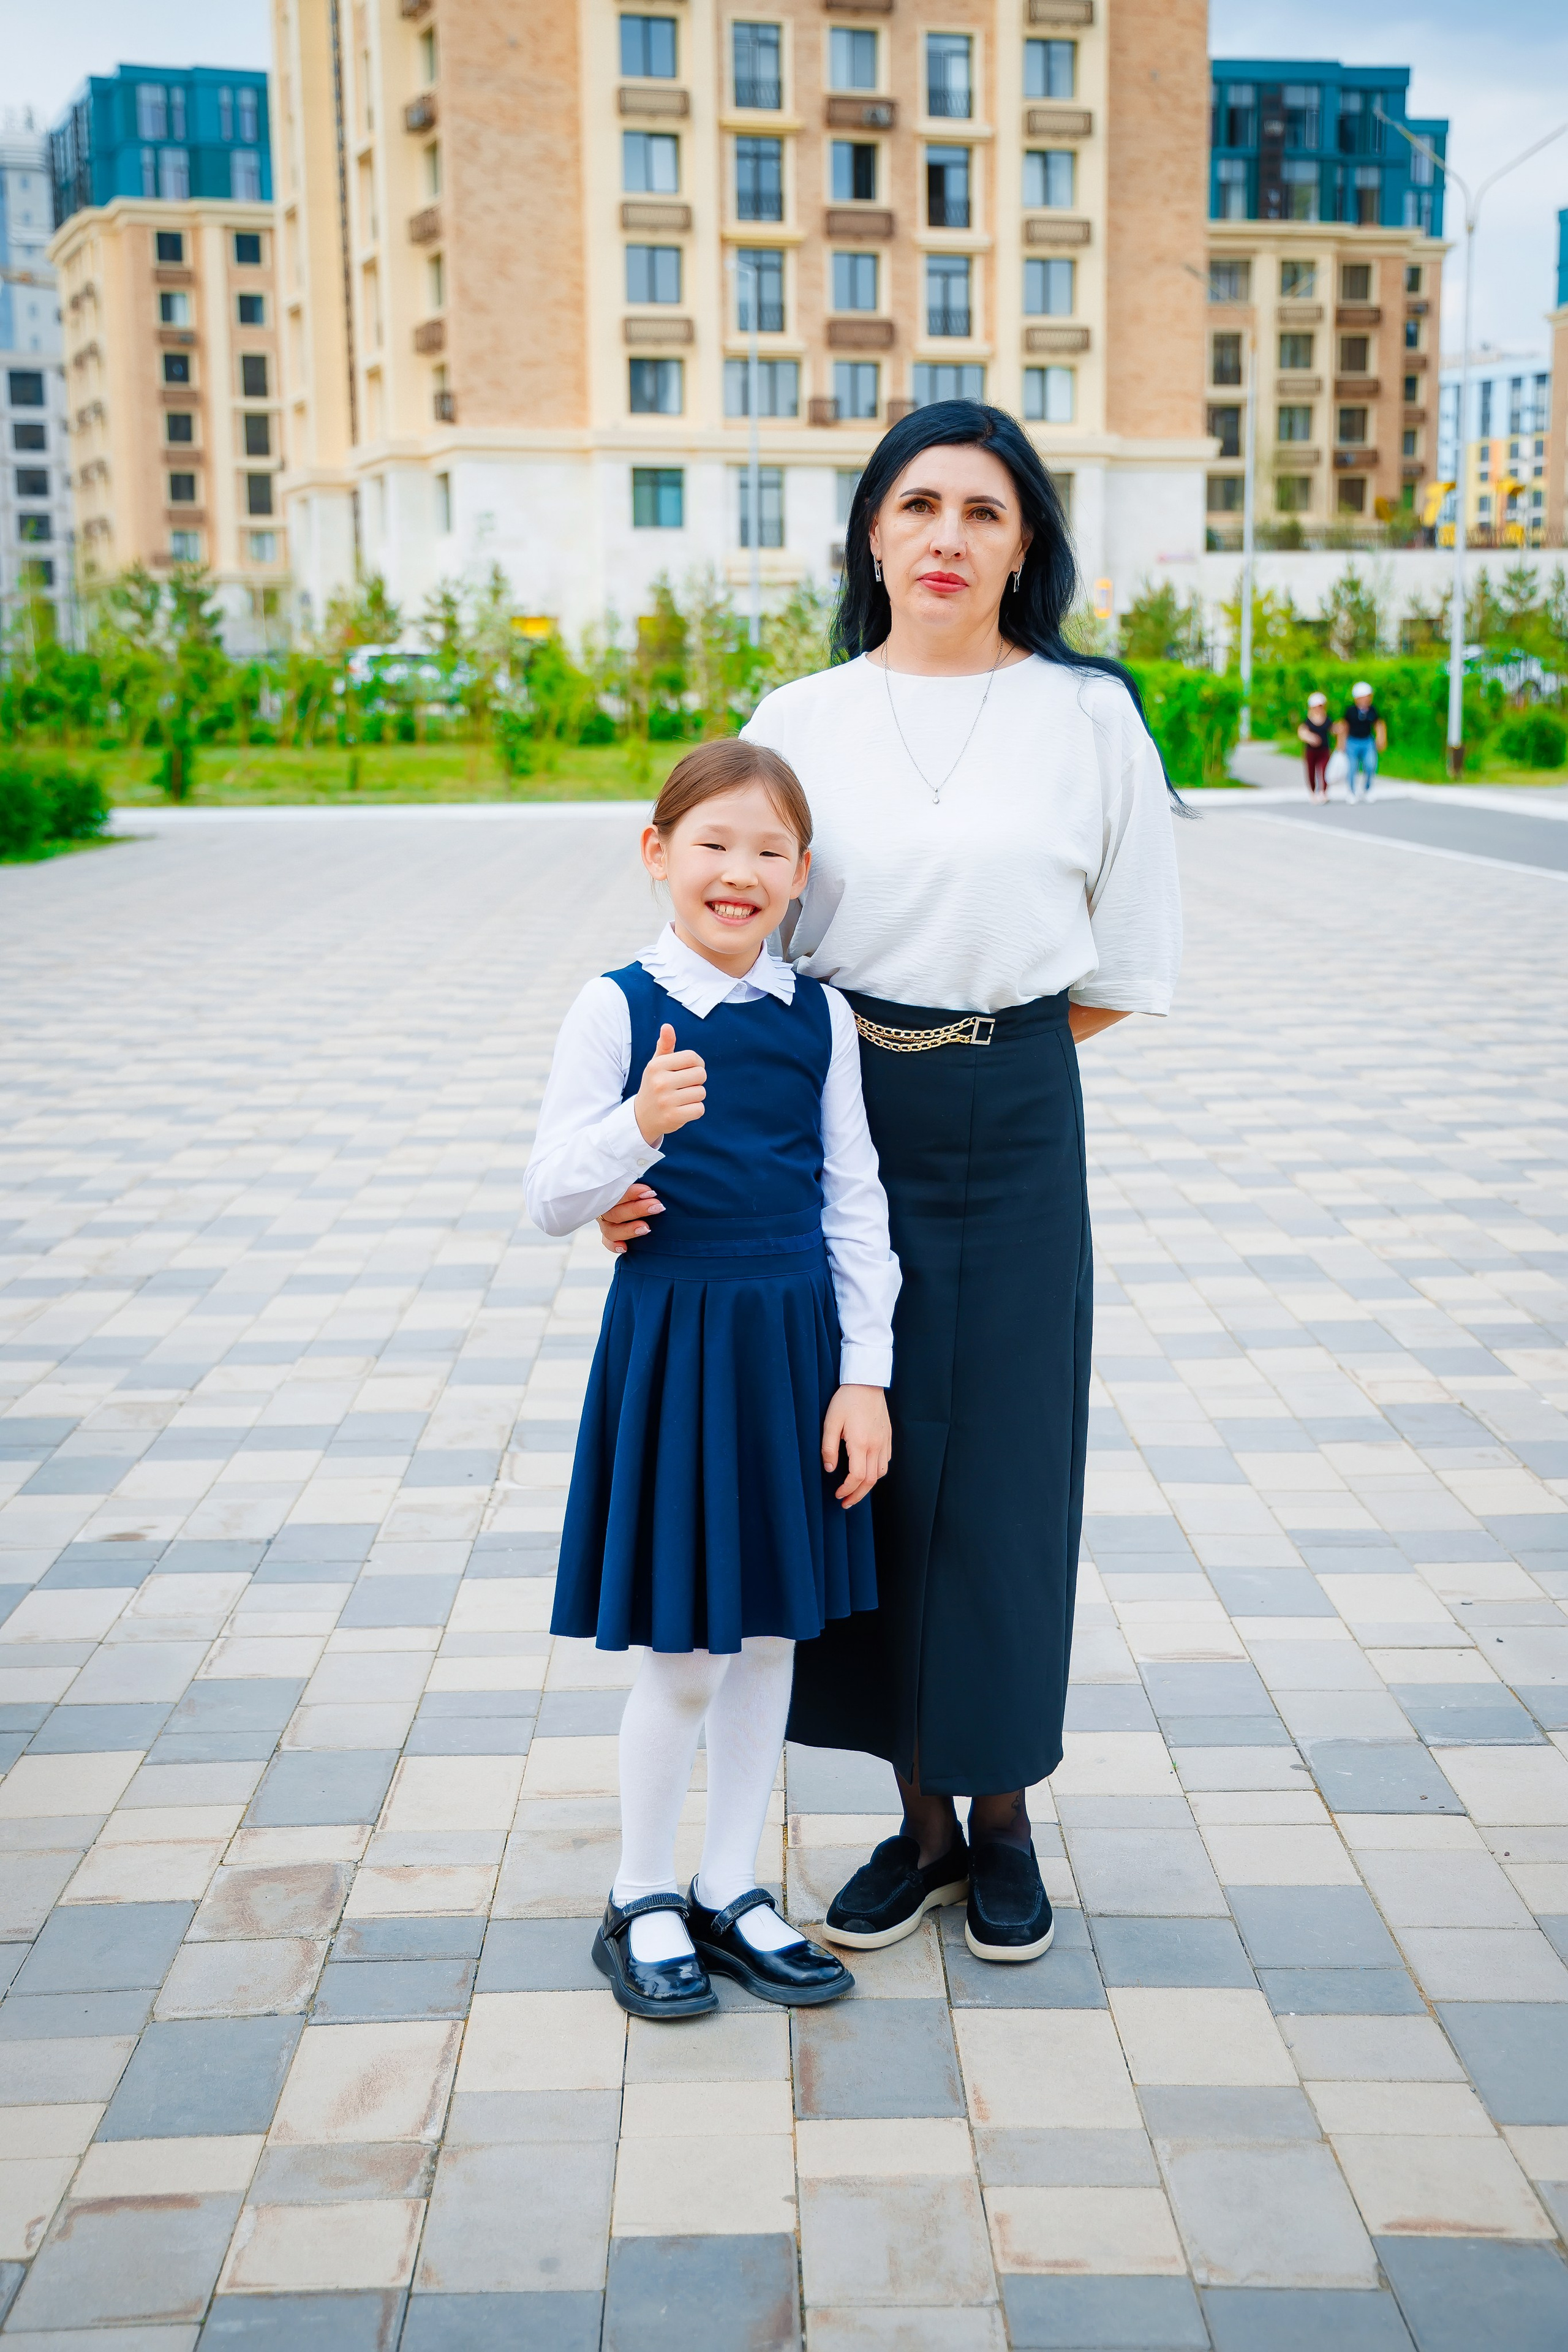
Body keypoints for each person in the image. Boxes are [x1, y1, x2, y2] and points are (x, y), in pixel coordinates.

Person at [601, 402, 1182, 1966]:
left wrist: (973, 1050)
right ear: (868, 532)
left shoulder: (1086, 716)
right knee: (859, 1462)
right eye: (915, 505)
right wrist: (634, 1153)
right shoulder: (805, 711)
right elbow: (727, 932)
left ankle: (998, 1823)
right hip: (821, 1106)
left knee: (997, 1474)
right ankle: (914, 1824)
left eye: (981, 512)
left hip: (1013, 1111)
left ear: (1024, 545)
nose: (945, 536)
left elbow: (1121, 963)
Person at [524, 739, 900, 2022]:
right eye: (712, 844)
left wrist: (866, 1379)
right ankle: (641, 1893)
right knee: (687, 1652)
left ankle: (731, 1887)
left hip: (792, 1345)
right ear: (657, 855)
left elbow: (854, 1201)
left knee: (769, 1642)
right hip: (680, 1341)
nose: (738, 872)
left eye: (768, 851)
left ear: (800, 877)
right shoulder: (616, 1006)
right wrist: (637, 1124)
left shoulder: (818, 1016)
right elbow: (545, 1198)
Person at [1336, 680, 1386, 798]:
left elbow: (1379, 724)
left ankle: (1368, 789)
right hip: (1352, 741)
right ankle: (1352, 791)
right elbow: (1344, 726)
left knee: (1371, 765)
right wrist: (1341, 743)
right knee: (1352, 767)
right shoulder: (1351, 711)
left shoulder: (1373, 710)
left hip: (1368, 741)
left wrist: (1381, 739)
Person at [1297, 691, 1333, 797]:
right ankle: (1313, 792)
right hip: (1311, 750)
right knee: (1311, 771)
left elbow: (1333, 729)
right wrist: (1311, 738)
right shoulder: (1308, 720)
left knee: (1325, 771)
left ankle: (1323, 792)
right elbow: (1302, 732)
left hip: (1324, 749)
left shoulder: (1327, 719)